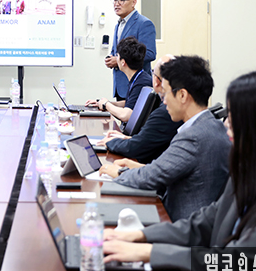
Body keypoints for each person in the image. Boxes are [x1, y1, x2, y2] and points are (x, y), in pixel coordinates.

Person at [102, 69, 256, 271]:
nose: (226, 124)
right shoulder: (251, 170)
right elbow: (205, 223)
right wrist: (140, 235)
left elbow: (237, 263)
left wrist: (149, 252)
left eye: (234, 119)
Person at [99, 56, 231, 222]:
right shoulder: (211, 126)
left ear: (182, 95)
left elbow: (151, 178)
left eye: (167, 92)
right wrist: (138, 166)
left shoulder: (193, 137)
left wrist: (119, 172)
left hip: (179, 224)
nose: (164, 100)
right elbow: (167, 170)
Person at [95, 55, 183, 163]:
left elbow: (136, 147)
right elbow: (147, 140)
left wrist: (109, 142)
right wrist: (127, 139)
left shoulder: (166, 112)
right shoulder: (173, 108)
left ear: (156, 81)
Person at [105, 0, 156, 101]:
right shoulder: (119, 24)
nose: (117, 4)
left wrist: (119, 60)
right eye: (115, 0)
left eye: (122, 0)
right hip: (120, 86)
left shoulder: (144, 23)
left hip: (137, 86)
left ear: (133, 2)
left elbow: (150, 54)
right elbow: (117, 52)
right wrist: (111, 59)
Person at [86, 36, 152, 124]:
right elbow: (129, 103)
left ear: (123, 62)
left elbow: (126, 115)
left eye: (117, 56)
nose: (116, 59)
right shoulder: (138, 77)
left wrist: (107, 104)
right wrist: (104, 103)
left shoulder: (141, 83)